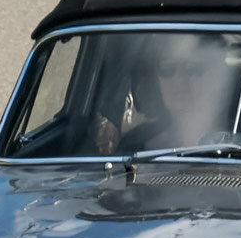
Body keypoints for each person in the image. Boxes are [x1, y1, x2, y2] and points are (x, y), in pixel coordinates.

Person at [91, 33, 220, 155]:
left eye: (193, 68)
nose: (180, 80)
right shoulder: (134, 145)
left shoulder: (234, 145)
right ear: (157, 81)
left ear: (213, 77)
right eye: (168, 68)